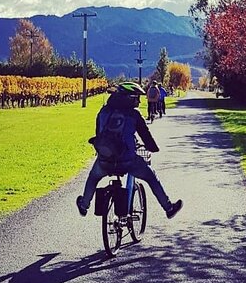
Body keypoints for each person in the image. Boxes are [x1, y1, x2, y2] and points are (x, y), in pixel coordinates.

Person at [76, 81, 183, 219]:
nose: (139, 101)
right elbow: (146, 136)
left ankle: (84, 205)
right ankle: (168, 208)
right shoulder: (134, 115)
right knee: (151, 177)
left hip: (105, 160)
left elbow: (99, 134)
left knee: (93, 177)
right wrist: (153, 148)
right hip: (128, 160)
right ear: (128, 98)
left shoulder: (103, 111)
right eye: (136, 98)